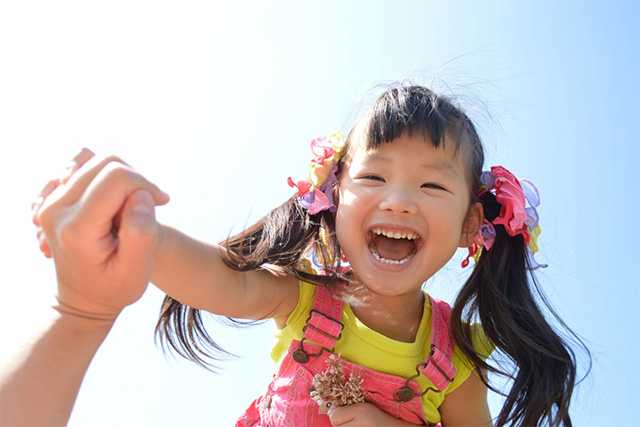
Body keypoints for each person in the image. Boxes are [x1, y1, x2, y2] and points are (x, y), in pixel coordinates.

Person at [4, 85, 580, 426]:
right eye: (374, 176)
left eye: (432, 186)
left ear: (470, 226)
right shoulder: (305, 297)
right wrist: (145, 239)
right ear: (331, 198)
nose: (399, 201)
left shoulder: (455, 356)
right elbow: (223, 280)